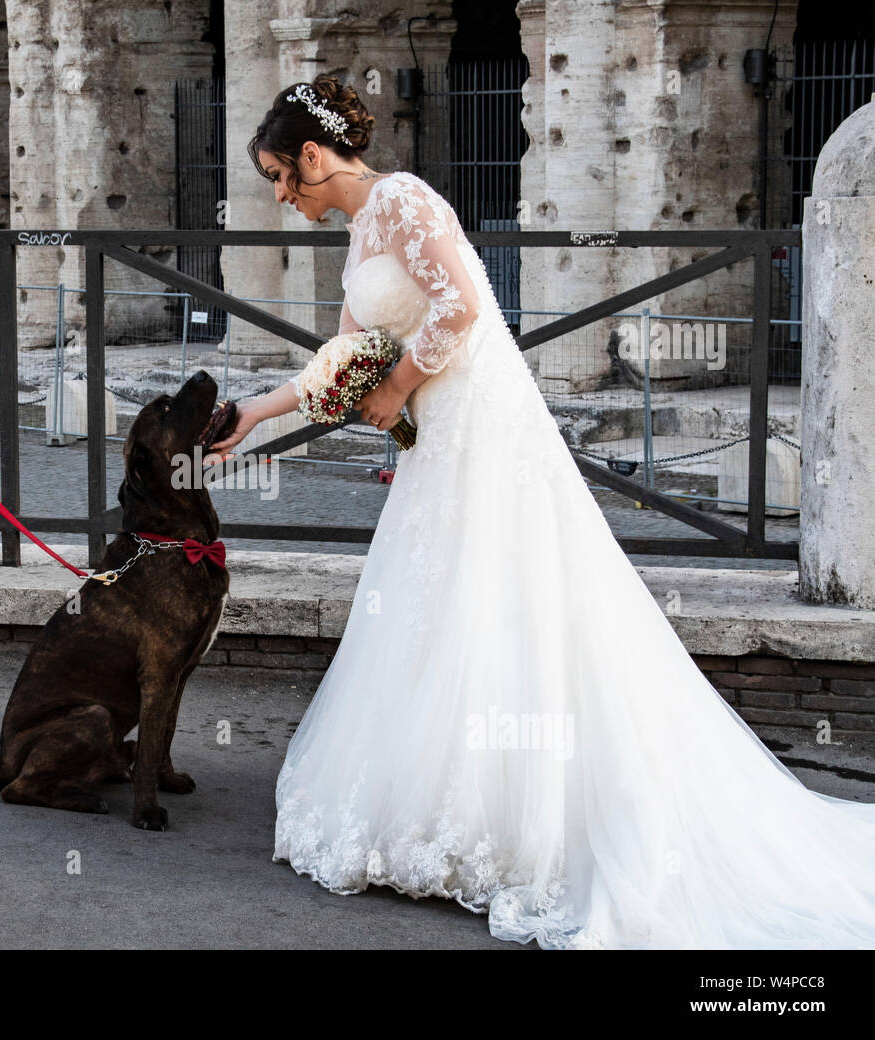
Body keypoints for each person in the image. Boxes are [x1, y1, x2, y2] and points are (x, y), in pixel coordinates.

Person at [206, 73, 875, 949]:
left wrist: (400, 384)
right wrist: (259, 411)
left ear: (315, 154)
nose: (283, 199)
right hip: (434, 443)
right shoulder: (362, 227)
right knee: (437, 604)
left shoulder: (404, 200)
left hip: (479, 428)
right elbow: (344, 354)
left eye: (283, 179)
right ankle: (440, 801)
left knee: (504, 593)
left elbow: (462, 306)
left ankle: (524, 821)